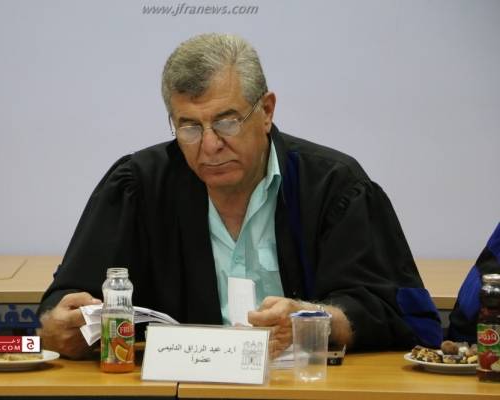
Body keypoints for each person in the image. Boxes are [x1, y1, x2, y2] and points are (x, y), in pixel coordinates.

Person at [37, 33, 442, 359]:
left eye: (227, 122)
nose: (209, 145)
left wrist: (313, 321)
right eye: (189, 127)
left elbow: (399, 315)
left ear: (266, 111)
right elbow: (64, 303)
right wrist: (60, 327)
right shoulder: (138, 187)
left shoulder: (334, 186)